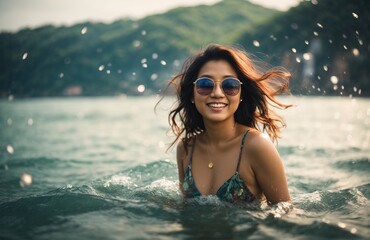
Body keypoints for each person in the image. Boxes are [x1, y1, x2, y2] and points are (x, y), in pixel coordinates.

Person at [166, 44, 291, 205]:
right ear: (192, 94)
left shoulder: (257, 146)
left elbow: (286, 213)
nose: (217, 93)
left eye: (229, 85)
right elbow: (185, 209)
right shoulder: (186, 148)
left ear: (241, 94)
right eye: (205, 85)